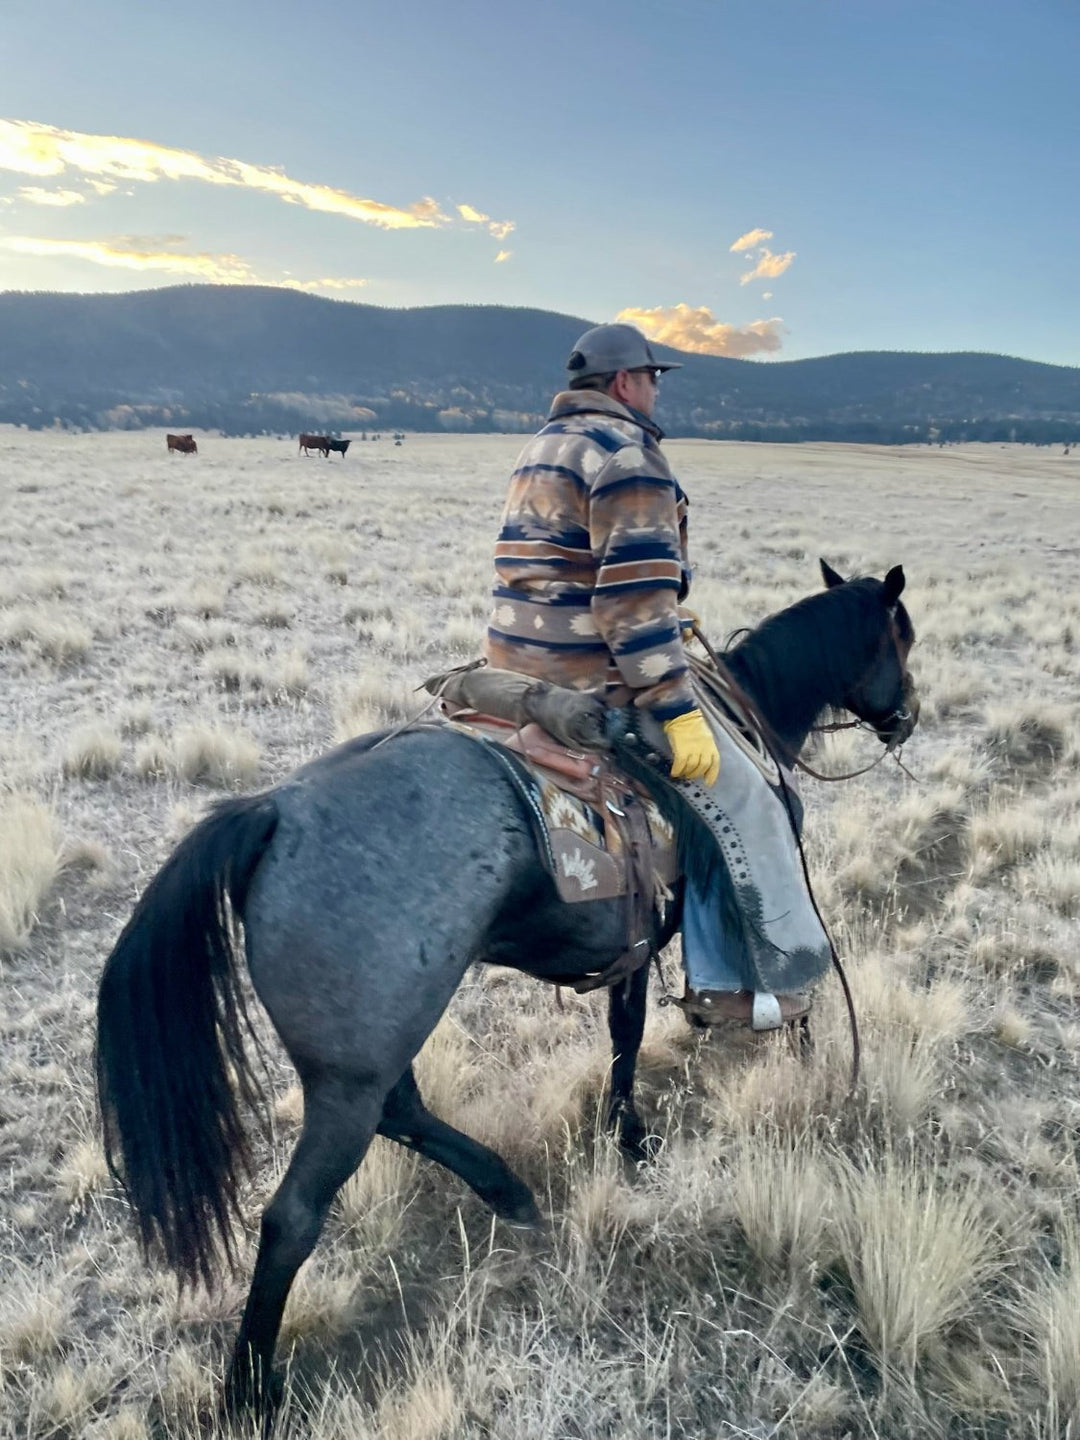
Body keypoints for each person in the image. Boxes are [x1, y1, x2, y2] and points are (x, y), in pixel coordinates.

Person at [485, 323, 829, 1029]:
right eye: (652, 376)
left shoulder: (541, 447)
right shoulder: (628, 455)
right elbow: (632, 609)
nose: (656, 388)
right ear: (623, 384)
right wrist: (674, 708)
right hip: (592, 680)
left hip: (512, 669)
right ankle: (730, 989)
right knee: (750, 800)